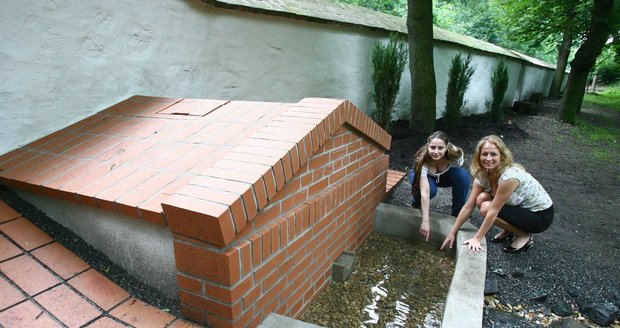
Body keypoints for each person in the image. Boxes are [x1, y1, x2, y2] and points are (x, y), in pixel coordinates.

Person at [440, 135, 554, 253]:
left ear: (502, 156)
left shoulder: (509, 177)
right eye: (484, 154)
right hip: (519, 208)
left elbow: (493, 210)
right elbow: (469, 205)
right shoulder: (483, 173)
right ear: (479, 156)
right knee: (481, 198)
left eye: (493, 154)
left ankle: (523, 235)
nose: (488, 158)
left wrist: (477, 239)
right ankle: (509, 230)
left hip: (539, 216)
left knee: (486, 208)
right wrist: (452, 232)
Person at [409, 131, 471, 241]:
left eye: (440, 148)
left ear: (446, 147)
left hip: (441, 175)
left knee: (463, 176)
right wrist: (425, 221)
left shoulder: (455, 154)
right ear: (428, 146)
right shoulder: (422, 160)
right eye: (432, 147)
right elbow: (425, 192)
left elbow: (458, 168)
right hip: (419, 175)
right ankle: (415, 203)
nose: (436, 152)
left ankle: (457, 214)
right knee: (431, 191)